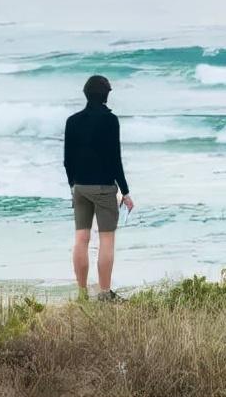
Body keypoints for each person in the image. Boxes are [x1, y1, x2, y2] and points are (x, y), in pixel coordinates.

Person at [63, 74, 134, 301]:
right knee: (106, 240)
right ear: (106, 95)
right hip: (104, 188)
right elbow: (115, 160)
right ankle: (104, 294)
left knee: (81, 239)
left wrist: (73, 185)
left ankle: (82, 293)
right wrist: (125, 191)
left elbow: (67, 160)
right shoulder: (110, 121)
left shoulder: (72, 121)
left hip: (80, 187)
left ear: (86, 94)